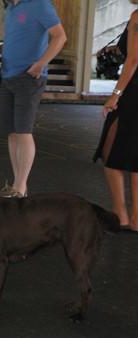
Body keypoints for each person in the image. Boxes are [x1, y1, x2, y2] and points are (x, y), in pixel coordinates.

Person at [0, 0, 66, 198]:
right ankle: (18, 186)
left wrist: (42, 63)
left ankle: (21, 186)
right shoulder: (10, 8)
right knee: (12, 132)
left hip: (29, 76)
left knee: (23, 131)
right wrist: (3, 48)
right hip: (8, 76)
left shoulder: (40, 4)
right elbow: (20, 37)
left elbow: (60, 36)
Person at [93, 0, 138, 233]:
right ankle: (135, 217)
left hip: (133, 91)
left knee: (109, 150)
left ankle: (121, 214)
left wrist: (115, 95)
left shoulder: (137, 16)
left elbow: (133, 60)